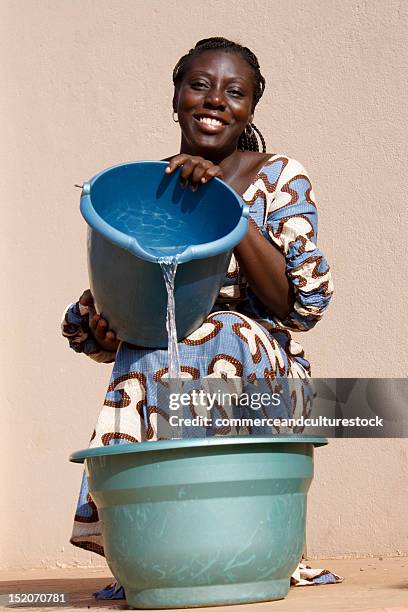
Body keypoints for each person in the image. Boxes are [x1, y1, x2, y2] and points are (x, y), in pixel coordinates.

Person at [62, 37, 334, 599]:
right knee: (149, 346)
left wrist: (226, 211)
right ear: (176, 97)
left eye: (235, 92)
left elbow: (301, 305)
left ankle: (246, 539)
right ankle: (153, 552)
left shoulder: (280, 177)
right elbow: (117, 300)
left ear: (252, 109)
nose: (215, 101)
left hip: (262, 365)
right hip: (164, 357)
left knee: (222, 329)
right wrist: (103, 325)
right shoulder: (150, 186)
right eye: (200, 85)